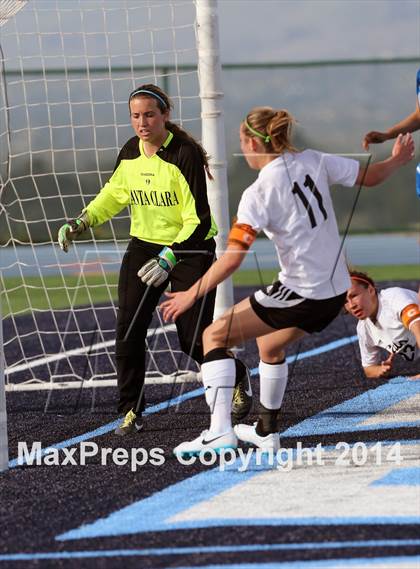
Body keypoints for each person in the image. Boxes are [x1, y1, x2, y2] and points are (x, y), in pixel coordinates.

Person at [160, 106, 415, 455]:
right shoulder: (314, 160)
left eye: (241, 141)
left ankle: (219, 431)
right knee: (269, 346)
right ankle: (267, 431)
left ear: (252, 142)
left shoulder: (258, 192)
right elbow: (370, 177)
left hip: (302, 291)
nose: (242, 147)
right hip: (336, 292)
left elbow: (233, 257)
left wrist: (191, 292)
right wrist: (398, 160)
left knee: (213, 334)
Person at [57, 84, 251, 436]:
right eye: (135, 116)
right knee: (128, 330)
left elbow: (200, 221)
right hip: (144, 247)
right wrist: (82, 221)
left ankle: (237, 375)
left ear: (165, 115)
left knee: (193, 339)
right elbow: (113, 195)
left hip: (190, 248)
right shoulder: (131, 151)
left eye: (149, 114)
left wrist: (170, 256)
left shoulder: (185, 153)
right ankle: (131, 411)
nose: (142, 122)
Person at [345, 270, 420, 379]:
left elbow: (417, 327)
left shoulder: (393, 298)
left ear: (370, 290)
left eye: (354, 296)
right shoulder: (363, 328)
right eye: (345, 302)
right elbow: (368, 369)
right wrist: (380, 370)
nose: (351, 305)